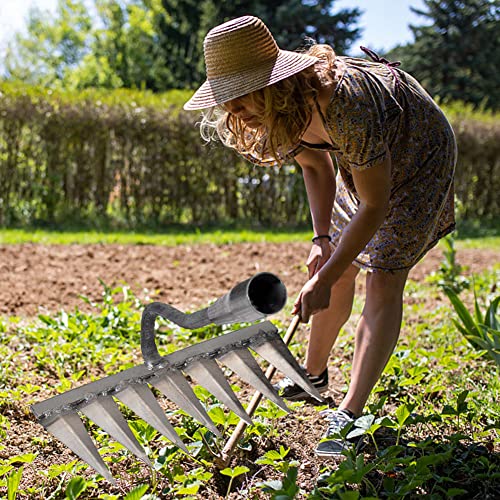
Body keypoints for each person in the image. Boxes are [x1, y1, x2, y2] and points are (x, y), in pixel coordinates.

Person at [184, 15, 456, 457]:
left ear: (271, 85)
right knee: (339, 263)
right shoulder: (284, 110)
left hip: (420, 155)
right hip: (368, 162)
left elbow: (375, 206)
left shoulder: (344, 104)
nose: (231, 111)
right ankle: (312, 376)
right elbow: (314, 164)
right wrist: (322, 238)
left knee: (383, 276)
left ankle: (350, 413)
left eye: (238, 98)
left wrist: (323, 278)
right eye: (225, 99)